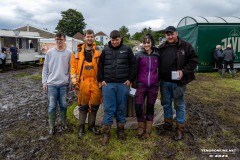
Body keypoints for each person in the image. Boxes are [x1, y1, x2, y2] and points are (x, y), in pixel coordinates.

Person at [158, 26, 198, 141]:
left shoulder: (185, 46)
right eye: (167, 34)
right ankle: (168, 124)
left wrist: (184, 71)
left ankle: (180, 128)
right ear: (165, 36)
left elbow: (194, 60)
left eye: (172, 34)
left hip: (178, 83)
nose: (170, 36)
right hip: (164, 82)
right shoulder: (162, 47)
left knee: (179, 104)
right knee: (166, 104)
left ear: (176, 34)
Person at [97, 30, 136, 146]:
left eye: (116, 40)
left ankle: (121, 130)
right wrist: (101, 79)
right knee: (109, 108)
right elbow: (100, 65)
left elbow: (133, 64)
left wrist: (130, 79)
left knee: (121, 107)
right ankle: (106, 133)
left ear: (121, 38)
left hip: (122, 84)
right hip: (108, 84)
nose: (114, 42)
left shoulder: (127, 49)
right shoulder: (105, 50)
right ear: (110, 39)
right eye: (112, 40)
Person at [70, 29, 102, 139]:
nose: (89, 38)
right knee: (83, 107)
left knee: (94, 106)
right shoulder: (77, 51)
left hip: (95, 82)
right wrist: (75, 82)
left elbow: (102, 67)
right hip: (82, 82)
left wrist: (101, 81)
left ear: (94, 38)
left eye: (91, 37)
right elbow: (73, 68)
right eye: (87, 36)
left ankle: (92, 126)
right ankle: (81, 127)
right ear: (84, 38)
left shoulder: (98, 51)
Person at [42, 32, 72, 135]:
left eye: (61, 40)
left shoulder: (69, 53)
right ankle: (51, 126)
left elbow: (71, 69)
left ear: (64, 40)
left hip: (64, 84)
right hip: (52, 84)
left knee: (63, 105)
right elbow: (45, 68)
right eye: (57, 40)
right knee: (52, 106)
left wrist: (71, 82)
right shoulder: (50, 53)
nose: (59, 41)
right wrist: (44, 82)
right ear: (56, 40)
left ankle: (63, 124)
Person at [134, 33, 159, 139]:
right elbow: (134, 69)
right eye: (144, 42)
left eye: (148, 42)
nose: (146, 44)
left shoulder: (157, 55)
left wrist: (159, 83)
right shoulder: (139, 55)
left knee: (150, 106)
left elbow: (161, 70)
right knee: (138, 105)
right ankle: (140, 126)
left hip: (153, 85)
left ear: (152, 43)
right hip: (141, 85)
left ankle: (148, 129)